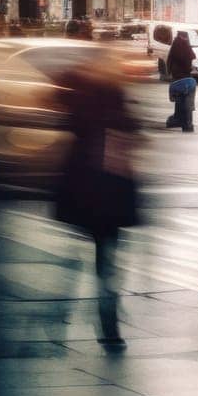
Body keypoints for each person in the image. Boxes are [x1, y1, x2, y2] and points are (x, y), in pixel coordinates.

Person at [54, 53, 141, 350]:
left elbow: (66, 117)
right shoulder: (116, 99)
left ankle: (63, 313)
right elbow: (130, 134)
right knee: (108, 258)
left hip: (82, 189)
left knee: (80, 253)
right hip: (112, 191)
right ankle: (108, 320)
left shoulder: (80, 97)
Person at [166, 27, 197, 131]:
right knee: (189, 102)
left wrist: (169, 73)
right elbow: (192, 56)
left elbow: (170, 61)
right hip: (188, 79)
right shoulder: (185, 45)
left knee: (180, 101)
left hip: (178, 79)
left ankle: (178, 119)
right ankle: (188, 124)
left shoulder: (175, 45)